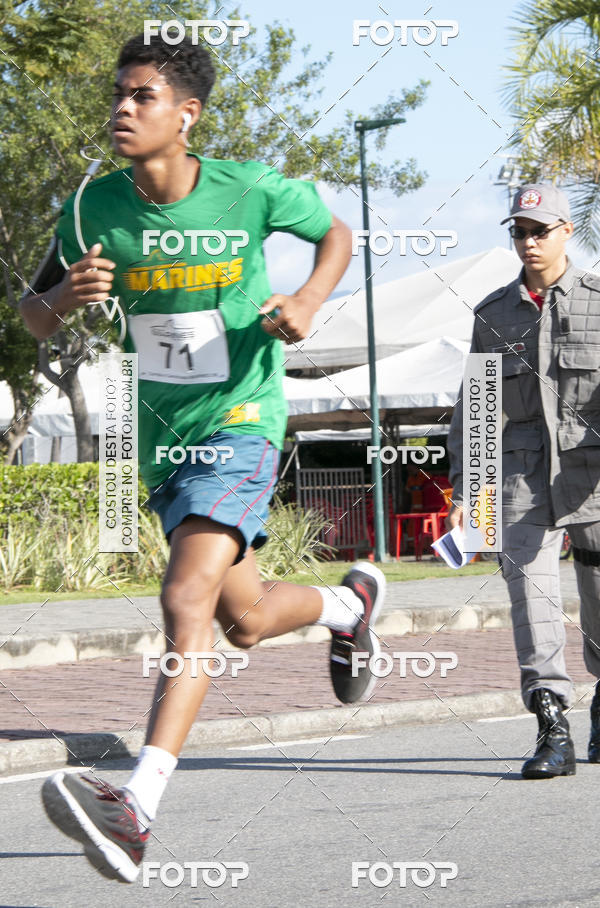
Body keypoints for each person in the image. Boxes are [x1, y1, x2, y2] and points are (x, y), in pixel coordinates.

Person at [19, 34, 386, 882]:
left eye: (141, 96)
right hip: (162, 440)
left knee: (184, 595)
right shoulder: (91, 209)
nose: (121, 108)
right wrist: (62, 298)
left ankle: (138, 805)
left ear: (186, 115)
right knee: (243, 619)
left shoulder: (248, 187)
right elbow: (34, 315)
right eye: (118, 93)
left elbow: (334, 233)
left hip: (242, 421)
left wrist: (306, 300)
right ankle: (347, 605)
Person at [447, 183, 600, 780]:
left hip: (593, 475)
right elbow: (477, 410)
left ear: (567, 231)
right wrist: (468, 492)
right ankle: (551, 724)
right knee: (530, 596)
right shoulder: (493, 314)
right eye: (519, 232)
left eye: (540, 230)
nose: (529, 242)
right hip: (520, 478)